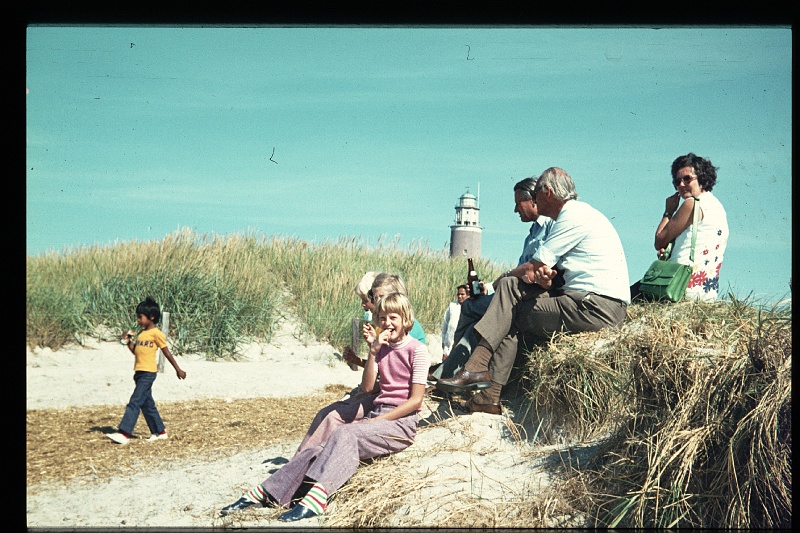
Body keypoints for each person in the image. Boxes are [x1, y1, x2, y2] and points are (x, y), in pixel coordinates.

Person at [220, 292, 430, 522]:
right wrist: (372, 351)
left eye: (393, 318)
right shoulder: (382, 347)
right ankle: (265, 492)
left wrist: (376, 421)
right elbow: (368, 387)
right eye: (382, 318)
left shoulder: (417, 350)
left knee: (346, 433)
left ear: (405, 319)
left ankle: (318, 498)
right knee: (319, 448)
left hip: (401, 423)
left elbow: (415, 401)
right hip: (378, 411)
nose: (387, 323)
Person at [436, 167, 630, 415]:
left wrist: (509, 275)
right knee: (508, 303)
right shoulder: (581, 214)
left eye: (535, 195)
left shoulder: (571, 216)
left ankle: (478, 376)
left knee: (508, 305)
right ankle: (483, 390)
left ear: (547, 192)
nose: (533, 202)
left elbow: (532, 267)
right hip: (591, 302)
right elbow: (546, 272)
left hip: (596, 307)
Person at [430, 176, 555, 383]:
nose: (515, 210)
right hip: (515, 291)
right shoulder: (533, 231)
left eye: (518, 203)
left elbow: (531, 269)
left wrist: (497, 282)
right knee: (473, 311)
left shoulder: (550, 226)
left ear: (533, 200)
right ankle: (452, 368)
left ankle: (452, 369)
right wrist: (490, 286)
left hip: (527, 294)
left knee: (470, 308)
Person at [294, 272, 426, 454]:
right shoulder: (384, 324)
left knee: (336, 418)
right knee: (327, 414)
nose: (375, 301)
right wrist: (369, 349)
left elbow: (398, 375)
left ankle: (310, 458)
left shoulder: (407, 329)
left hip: (389, 396)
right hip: (379, 389)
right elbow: (384, 366)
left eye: (380, 296)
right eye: (374, 297)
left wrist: (371, 349)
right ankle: (301, 460)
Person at [631, 153, 729, 302]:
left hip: (678, 285)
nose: (681, 184)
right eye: (677, 181)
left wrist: (668, 212)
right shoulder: (717, 207)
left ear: (702, 178)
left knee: (625, 296)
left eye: (687, 179)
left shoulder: (692, 204)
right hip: (705, 291)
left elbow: (659, 240)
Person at [106, 297, 187, 445]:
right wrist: (128, 342)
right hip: (139, 372)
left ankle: (124, 433)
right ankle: (160, 432)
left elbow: (166, 352)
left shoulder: (157, 333)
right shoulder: (141, 334)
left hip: (148, 373)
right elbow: (136, 352)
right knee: (147, 404)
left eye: (140, 317)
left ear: (152, 317)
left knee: (135, 401)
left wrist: (178, 369)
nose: (138, 320)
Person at [440, 285, 468, 361]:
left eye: (462, 294)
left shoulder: (470, 308)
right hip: (448, 347)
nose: (459, 296)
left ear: (467, 295)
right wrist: (444, 344)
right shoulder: (452, 306)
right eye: (458, 294)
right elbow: (445, 326)